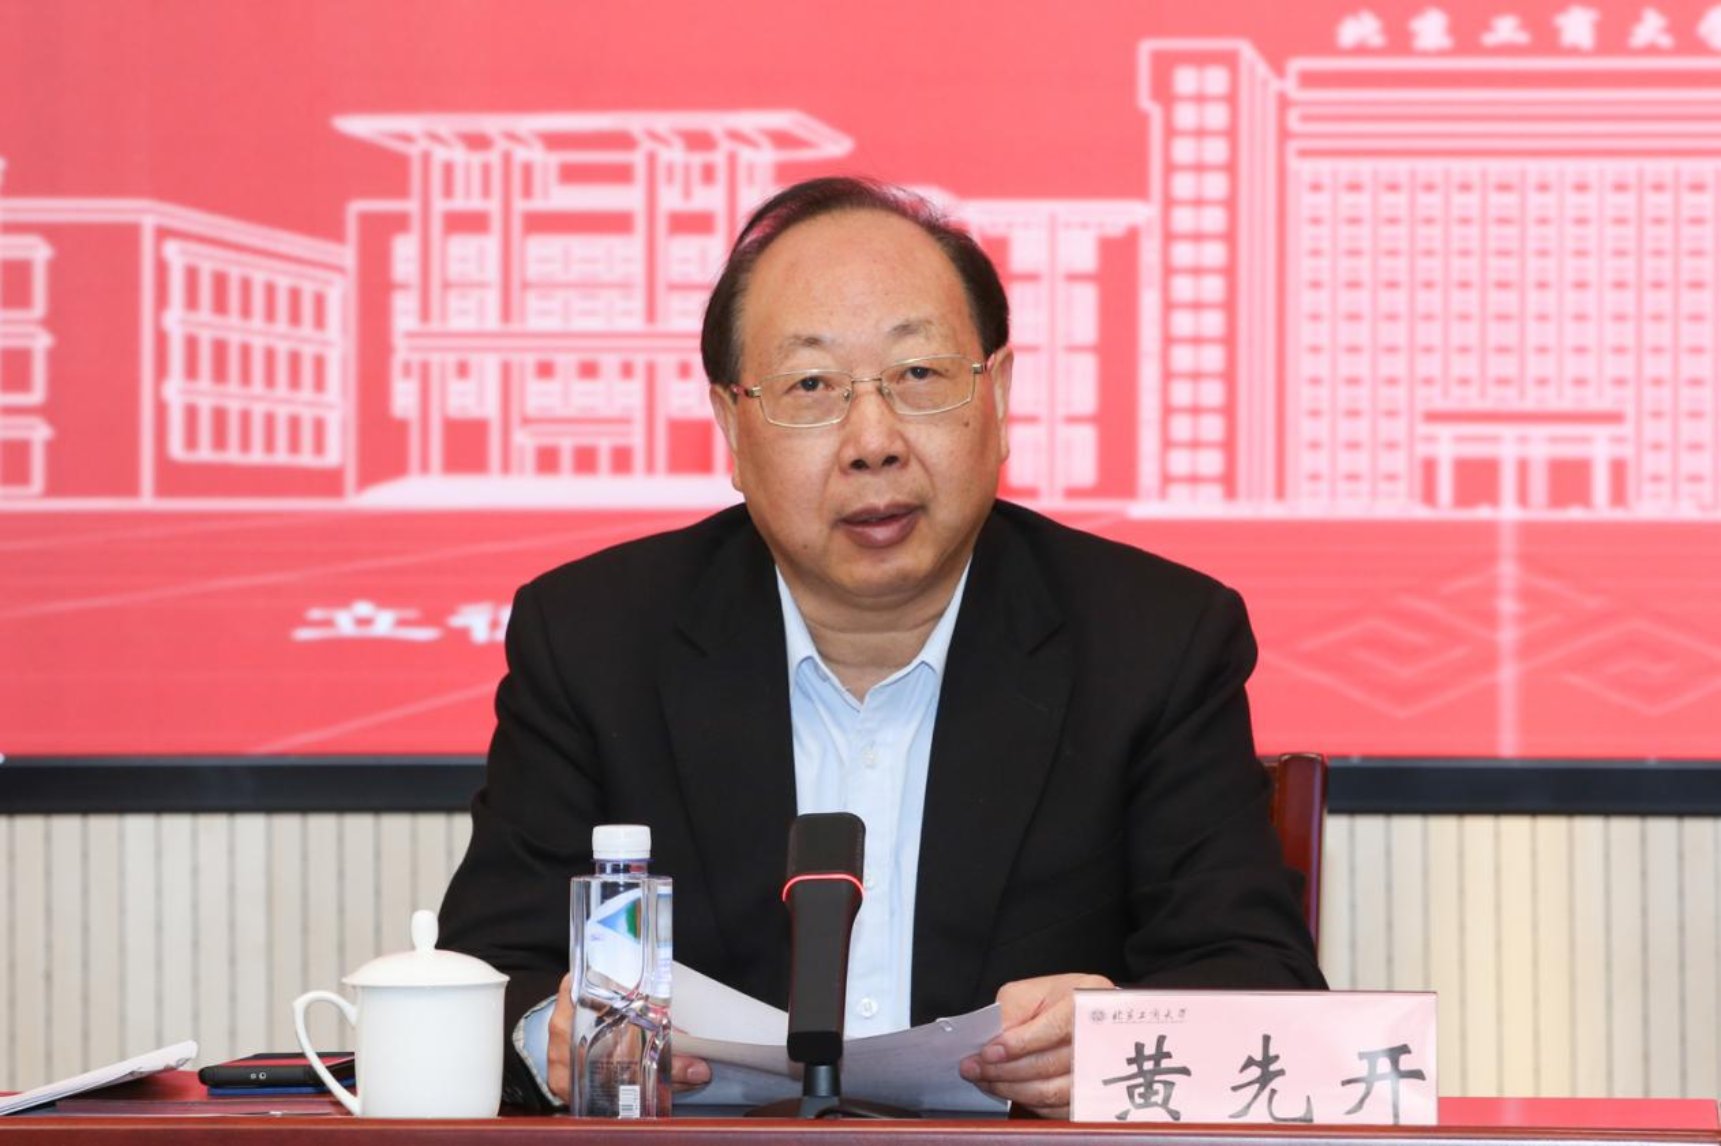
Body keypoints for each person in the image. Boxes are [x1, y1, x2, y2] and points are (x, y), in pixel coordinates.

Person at [437, 176, 1324, 1119]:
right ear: (731, 426)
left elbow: (1256, 983)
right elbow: (488, 975)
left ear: (998, 395)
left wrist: (1114, 1036)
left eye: (919, 376)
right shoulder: (595, 639)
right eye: (810, 386)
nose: (873, 441)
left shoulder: (1153, 640)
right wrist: (552, 1035)